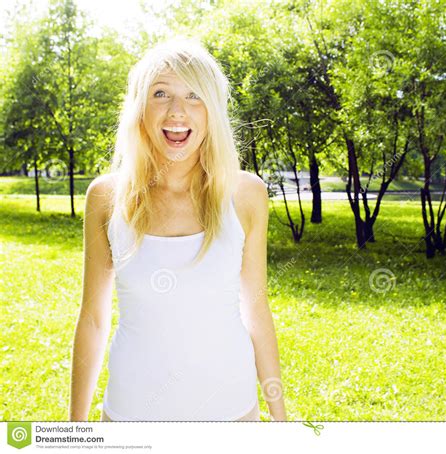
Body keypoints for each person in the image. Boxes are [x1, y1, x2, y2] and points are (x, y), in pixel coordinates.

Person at [68, 37, 287, 422]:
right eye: (161, 94)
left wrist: (280, 417)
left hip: (232, 417)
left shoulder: (246, 195)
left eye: (193, 96)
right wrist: (75, 429)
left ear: (212, 112)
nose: (177, 112)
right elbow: (93, 318)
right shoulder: (106, 197)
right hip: (129, 420)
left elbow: (255, 307)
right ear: (139, 109)